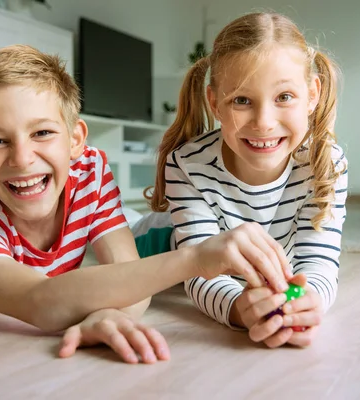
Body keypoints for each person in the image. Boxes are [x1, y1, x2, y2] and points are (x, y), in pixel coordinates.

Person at [0, 44, 293, 364]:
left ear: (75, 140)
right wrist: (195, 258)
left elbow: (130, 274)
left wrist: (110, 314)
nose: (22, 158)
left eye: (42, 132)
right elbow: (38, 300)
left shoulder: (89, 167)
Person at [141, 12, 349, 349]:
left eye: (284, 97)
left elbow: (319, 261)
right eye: (241, 100)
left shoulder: (326, 164)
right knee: (98, 256)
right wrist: (240, 310)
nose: (264, 123)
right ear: (215, 104)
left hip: (225, 262)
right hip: (155, 242)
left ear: (312, 94)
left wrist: (302, 304)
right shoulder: (188, 164)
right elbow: (195, 270)